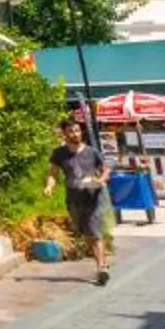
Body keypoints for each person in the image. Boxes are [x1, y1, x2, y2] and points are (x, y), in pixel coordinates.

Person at [51, 117, 113, 286]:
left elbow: (105, 168)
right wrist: (49, 186)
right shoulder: (59, 153)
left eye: (77, 130)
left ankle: (102, 268)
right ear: (64, 133)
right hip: (74, 199)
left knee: (95, 231)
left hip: (94, 197)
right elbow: (53, 173)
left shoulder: (92, 151)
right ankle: (101, 262)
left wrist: (102, 179)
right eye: (71, 131)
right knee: (86, 233)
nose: (75, 134)